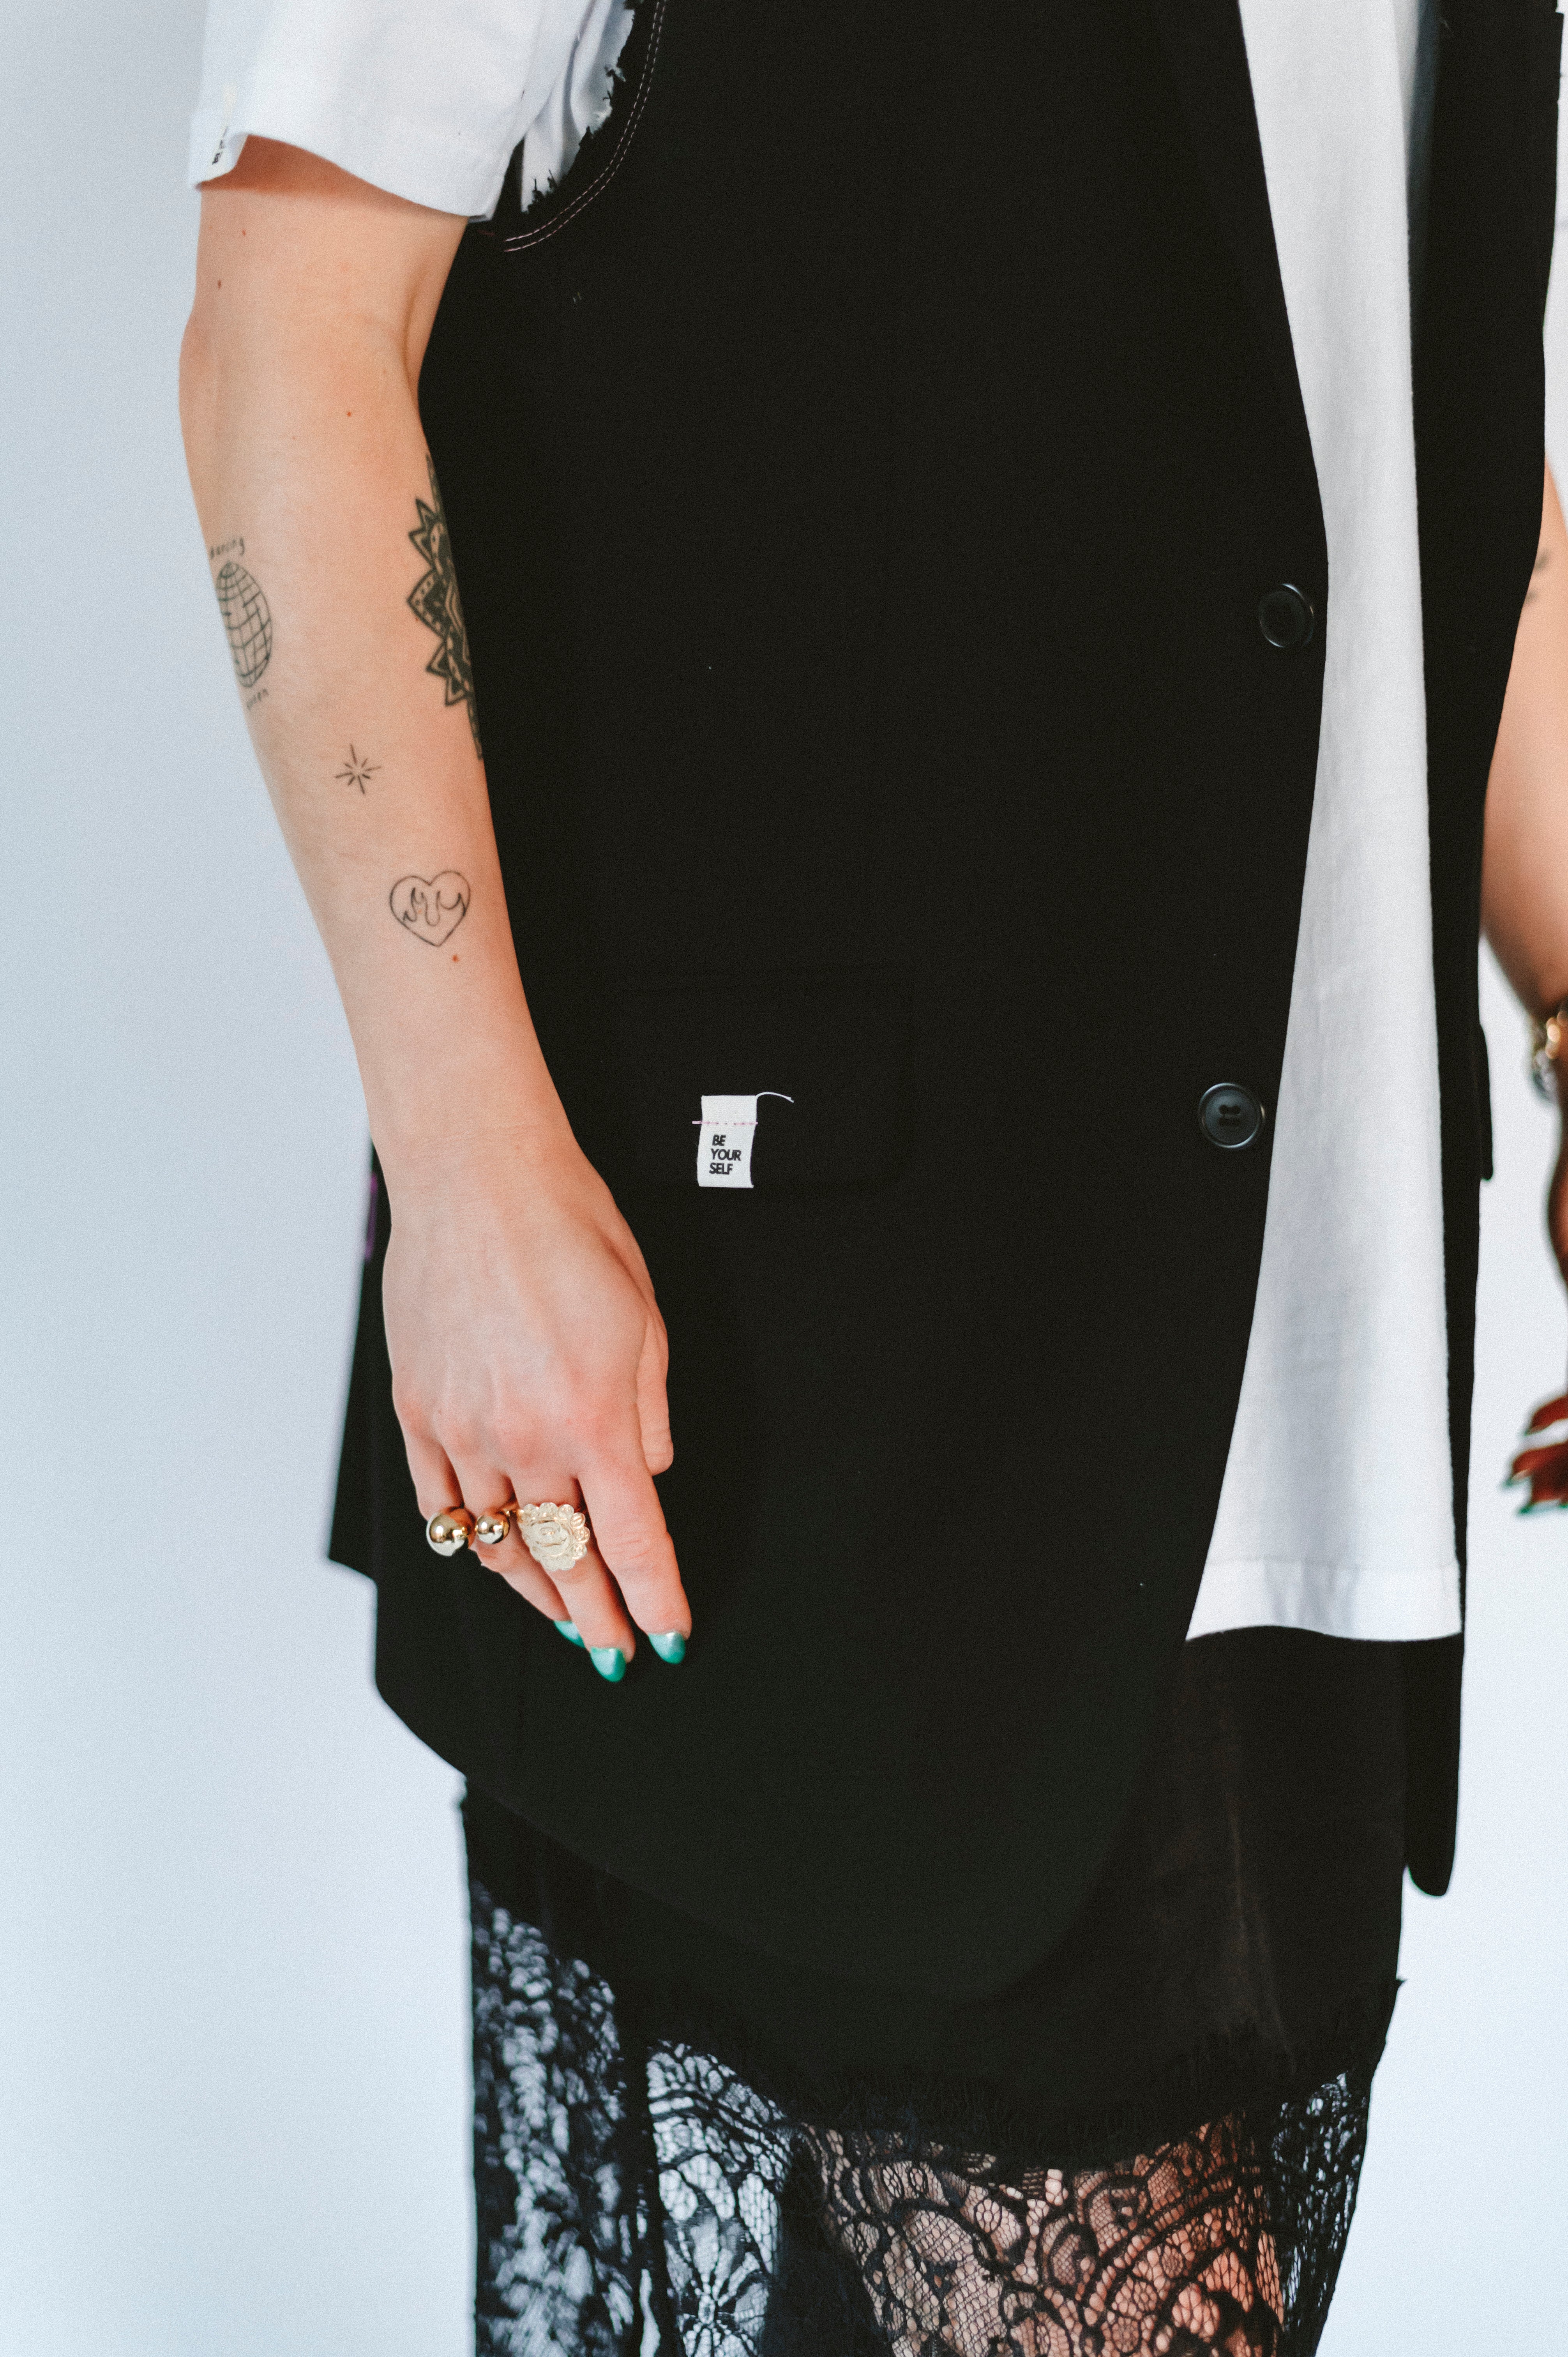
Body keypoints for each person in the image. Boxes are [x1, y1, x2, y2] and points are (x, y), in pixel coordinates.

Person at [179, 0, 1568, 2347]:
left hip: (1306, 1371)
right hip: (801, 1353)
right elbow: (291, 325)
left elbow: (1428, 448)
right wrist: (471, 1172)